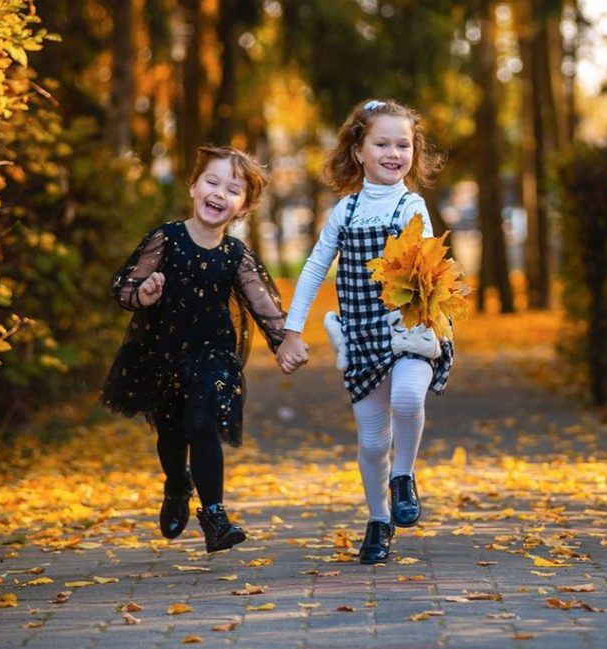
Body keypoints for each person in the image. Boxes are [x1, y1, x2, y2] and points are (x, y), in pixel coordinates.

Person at [277, 99, 452, 565]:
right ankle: (378, 520)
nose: (394, 153)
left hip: (409, 330)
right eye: (382, 143)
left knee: (408, 399)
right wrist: (292, 331)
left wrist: (429, 310)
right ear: (358, 149)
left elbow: (425, 259)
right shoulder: (346, 211)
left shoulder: (411, 204)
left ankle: (405, 477)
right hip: (361, 336)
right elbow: (315, 268)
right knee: (373, 442)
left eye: (404, 144)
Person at [101, 146, 286, 553]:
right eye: (212, 181)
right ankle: (176, 483)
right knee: (171, 433)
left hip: (213, 355)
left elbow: (263, 304)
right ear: (193, 186)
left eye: (233, 189)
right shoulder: (166, 239)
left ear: (243, 207)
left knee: (202, 423)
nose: (220, 193)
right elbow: (124, 287)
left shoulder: (235, 255)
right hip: (163, 353)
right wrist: (144, 294)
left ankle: (215, 516)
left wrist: (285, 341)